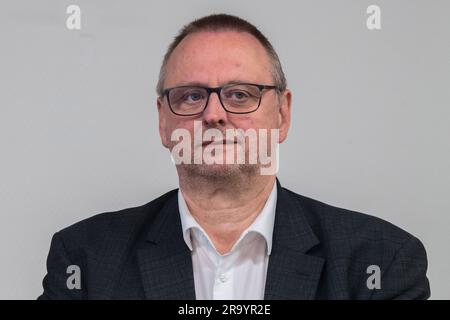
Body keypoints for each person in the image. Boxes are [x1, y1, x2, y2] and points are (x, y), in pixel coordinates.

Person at [38, 13, 430, 300]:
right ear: (163, 120)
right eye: (191, 96)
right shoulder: (85, 259)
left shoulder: (379, 259)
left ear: (282, 114)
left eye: (240, 94)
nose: (214, 114)